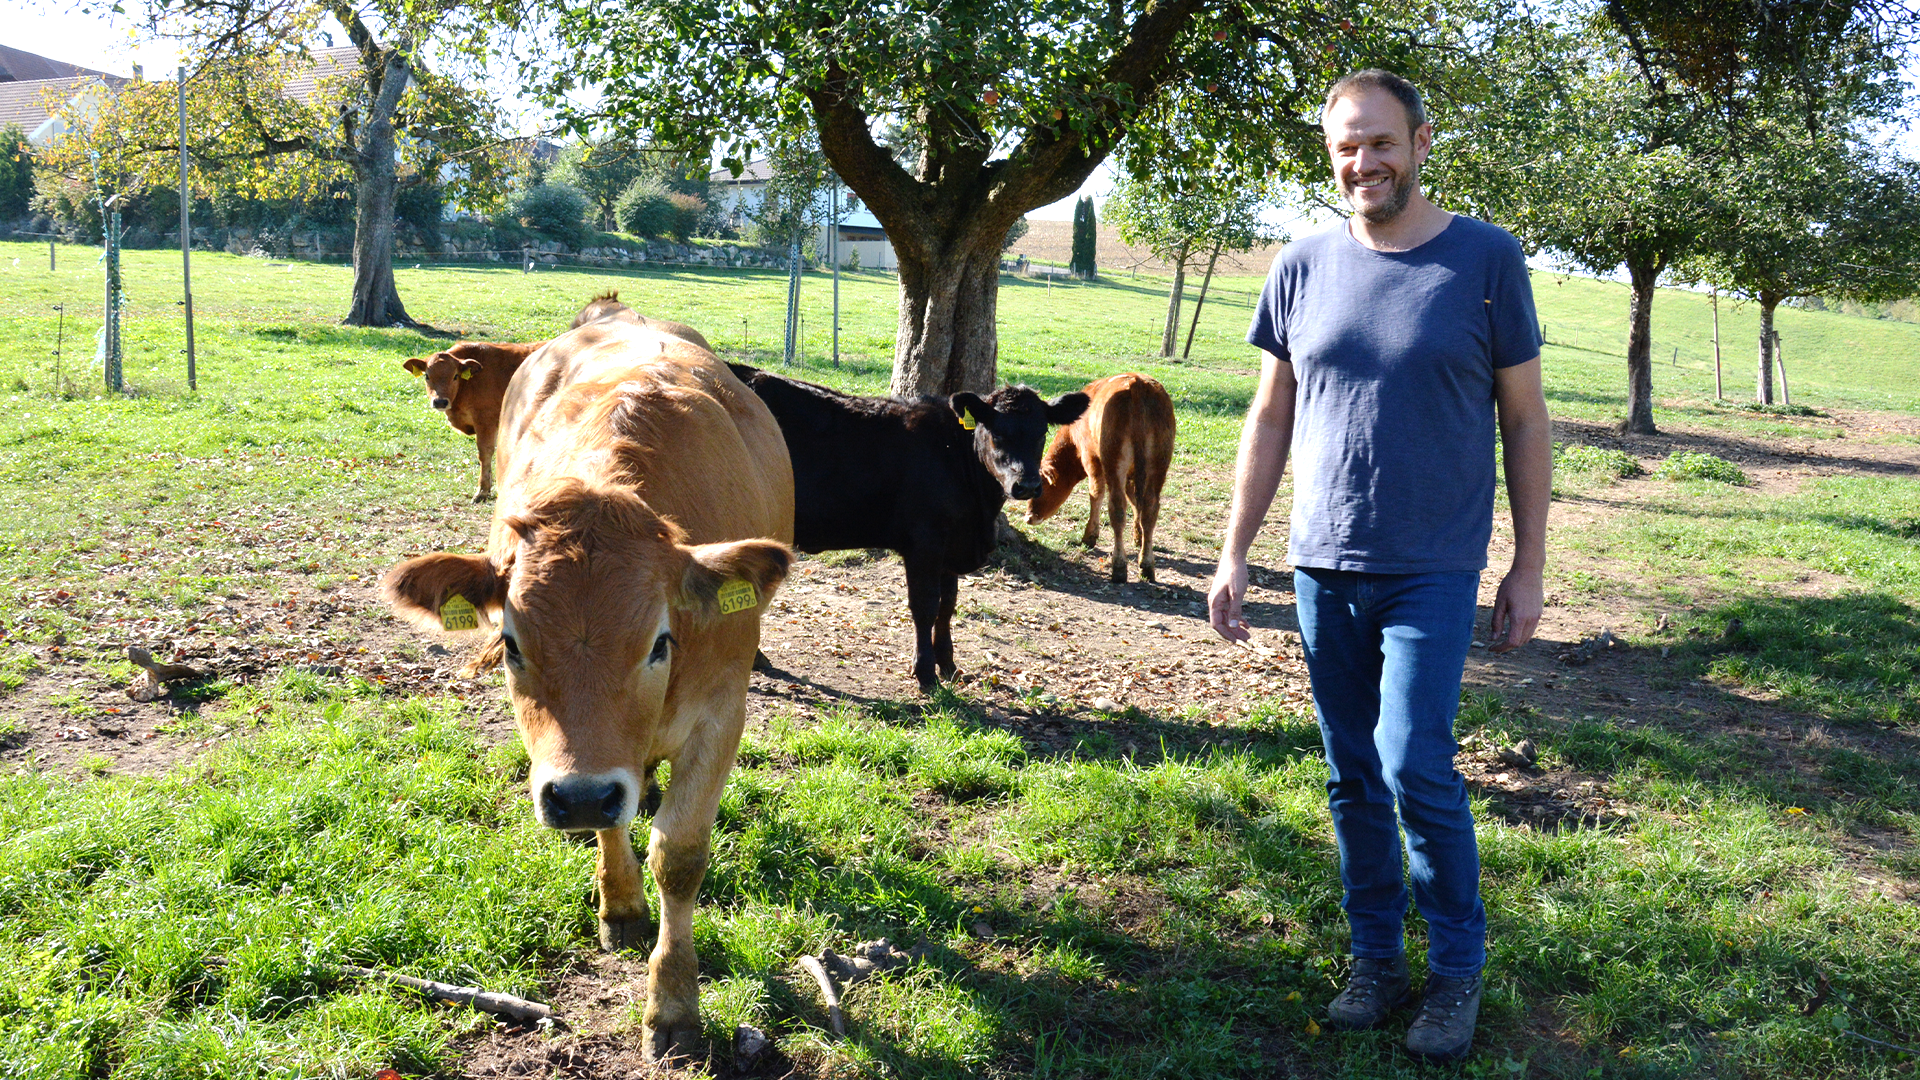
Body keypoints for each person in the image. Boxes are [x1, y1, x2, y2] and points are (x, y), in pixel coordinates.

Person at [1207, 69, 1551, 1061]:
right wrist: (1235, 553)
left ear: (1422, 142)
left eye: (1383, 142)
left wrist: (1527, 567)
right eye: (1348, 146)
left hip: (1433, 568)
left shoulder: (1486, 261)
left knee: (1414, 764)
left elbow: (1524, 420)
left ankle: (1455, 972)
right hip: (1322, 563)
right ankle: (1375, 960)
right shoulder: (1301, 265)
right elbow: (1270, 414)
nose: (1366, 162)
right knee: (1353, 775)